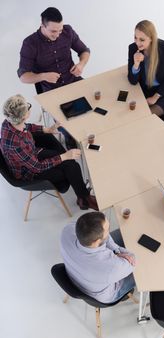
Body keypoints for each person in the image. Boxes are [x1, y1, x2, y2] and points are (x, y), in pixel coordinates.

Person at [0, 94, 98, 211]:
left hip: (32, 154)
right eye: (28, 107)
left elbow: (26, 126)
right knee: (71, 167)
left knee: (72, 164)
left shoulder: (9, 123)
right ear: (23, 117)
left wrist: (46, 129)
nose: (29, 107)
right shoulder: (15, 145)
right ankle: (84, 199)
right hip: (30, 173)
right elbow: (37, 167)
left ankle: (83, 198)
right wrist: (64, 156)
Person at [17, 7, 90, 149]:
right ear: (42, 25)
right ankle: (69, 138)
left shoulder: (68, 31)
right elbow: (23, 77)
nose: (57, 34)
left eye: (60, 30)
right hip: (51, 90)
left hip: (72, 80)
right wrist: (44, 76)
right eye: (53, 31)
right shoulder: (30, 44)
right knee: (66, 122)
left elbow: (85, 51)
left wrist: (81, 64)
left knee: (93, 104)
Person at [60, 212, 136, 303]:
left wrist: (116, 251)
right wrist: (119, 253)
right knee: (144, 269)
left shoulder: (67, 230)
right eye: (108, 229)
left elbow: (106, 240)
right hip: (107, 294)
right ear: (97, 241)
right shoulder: (112, 268)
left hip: (78, 276)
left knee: (122, 233)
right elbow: (132, 260)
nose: (109, 231)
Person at [128, 20, 164, 122]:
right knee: (129, 112)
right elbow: (132, 81)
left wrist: (156, 97)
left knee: (144, 117)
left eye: (142, 40)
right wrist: (136, 64)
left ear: (151, 38)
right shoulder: (132, 48)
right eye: (135, 37)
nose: (137, 42)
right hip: (147, 91)